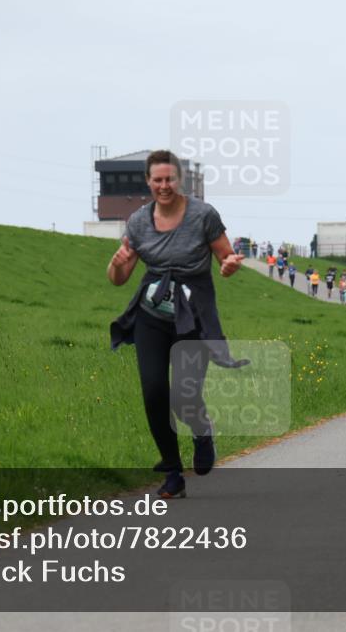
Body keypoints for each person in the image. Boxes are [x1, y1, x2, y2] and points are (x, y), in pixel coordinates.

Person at [108, 150, 245, 499]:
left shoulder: (203, 215)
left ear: (179, 180)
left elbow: (224, 255)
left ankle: (201, 431)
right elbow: (118, 278)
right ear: (148, 182)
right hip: (151, 316)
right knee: (154, 392)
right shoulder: (138, 222)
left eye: (169, 179)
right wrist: (118, 263)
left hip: (193, 317)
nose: (164, 185)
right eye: (157, 180)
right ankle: (171, 471)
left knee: (185, 396)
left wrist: (229, 265)